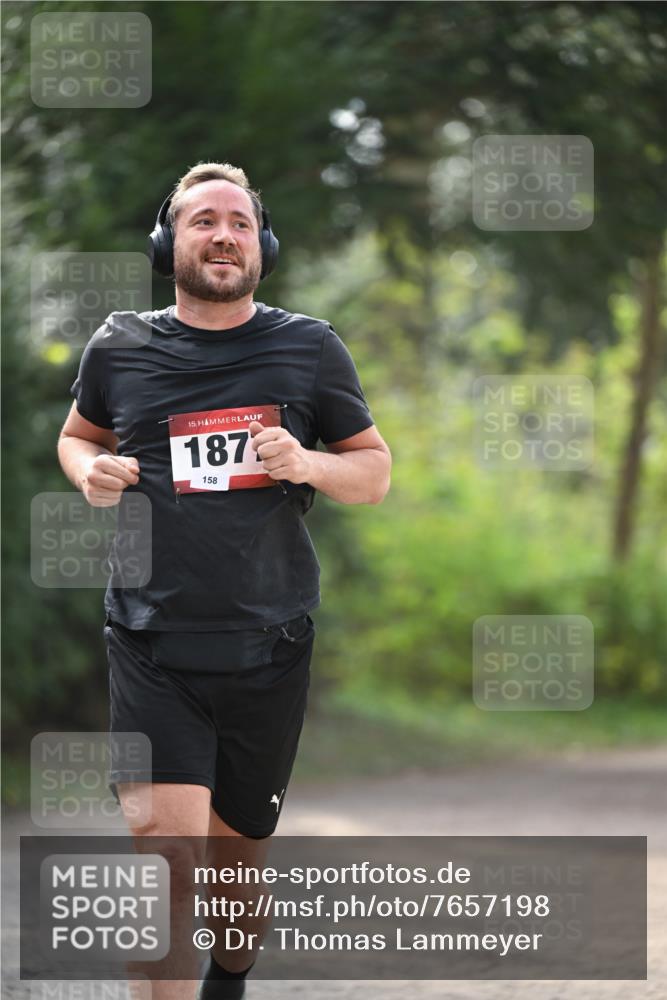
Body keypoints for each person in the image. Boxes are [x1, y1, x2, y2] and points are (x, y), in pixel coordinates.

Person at [57, 161, 391, 999]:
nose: (223, 235)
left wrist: (308, 462)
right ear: (167, 243)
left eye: (240, 222)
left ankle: (230, 978)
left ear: (262, 246)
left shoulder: (308, 346)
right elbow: (78, 435)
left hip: (267, 648)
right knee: (165, 865)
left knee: (234, 889)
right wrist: (90, 470)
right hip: (151, 641)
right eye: (203, 220)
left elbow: (373, 473)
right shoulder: (120, 345)